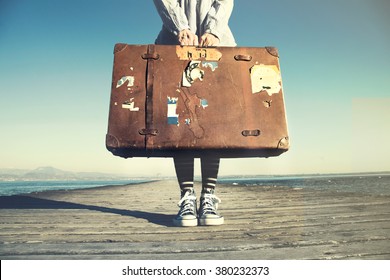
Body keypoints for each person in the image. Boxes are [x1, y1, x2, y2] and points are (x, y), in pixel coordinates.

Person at [153, 0, 236, 227]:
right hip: (174, 44)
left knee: (213, 124)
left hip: (217, 47)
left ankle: (208, 196)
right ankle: (187, 197)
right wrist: (181, 27)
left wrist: (214, 30)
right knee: (179, 124)